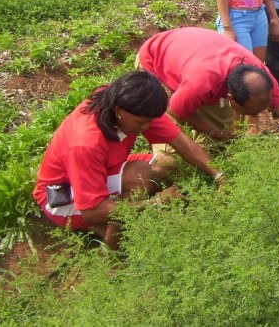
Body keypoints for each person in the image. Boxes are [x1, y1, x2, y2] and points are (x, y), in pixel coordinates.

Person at [34, 71, 225, 250]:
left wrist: (219, 175)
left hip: (104, 168)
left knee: (166, 165)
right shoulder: (85, 143)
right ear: (119, 111)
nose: (148, 127)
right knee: (141, 176)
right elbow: (91, 210)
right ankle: (114, 253)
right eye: (141, 122)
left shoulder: (130, 103)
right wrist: (156, 203)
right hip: (63, 196)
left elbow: (180, 141)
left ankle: (121, 220)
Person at [137, 27, 279, 141]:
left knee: (223, 135)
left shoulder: (258, 74)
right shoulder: (202, 83)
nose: (254, 117)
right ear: (230, 97)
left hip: (190, 55)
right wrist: (215, 133)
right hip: (154, 62)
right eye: (250, 113)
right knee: (172, 153)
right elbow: (176, 111)